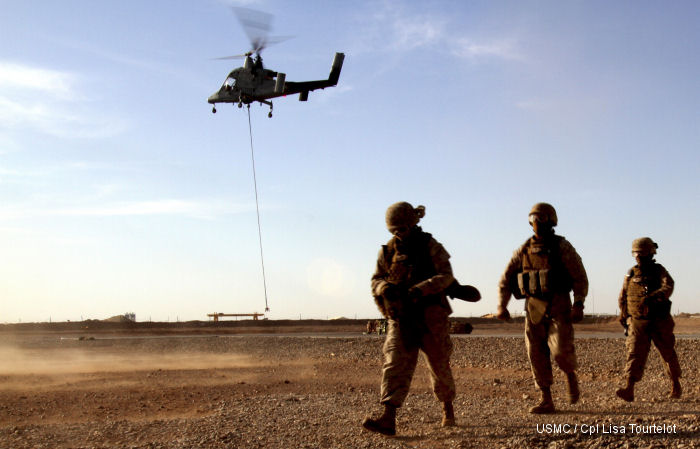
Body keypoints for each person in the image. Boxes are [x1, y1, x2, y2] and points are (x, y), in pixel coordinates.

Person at [362, 202, 457, 436]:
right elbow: (375, 279)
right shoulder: (387, 252)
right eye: (393, 230)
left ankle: (447, 408)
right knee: (394, 364)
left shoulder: (431, 246)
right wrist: (385, 287)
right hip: (401, 317)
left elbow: (446, 276)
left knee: (439, 365)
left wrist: (421, 289)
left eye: (402, 229)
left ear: (413, 224)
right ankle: (388, 417)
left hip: (430, 317)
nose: (398, 234)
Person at [496, 202, 588, 414]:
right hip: (533, 307)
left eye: (541, 218)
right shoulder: (524, 249)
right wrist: (502, 305)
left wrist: (579, 303)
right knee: (535, 353)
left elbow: (579, 276)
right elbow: (506, 278)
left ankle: (569, 374)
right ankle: (546, 399)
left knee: (560, 351)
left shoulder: (562, 247)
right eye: (533, 219)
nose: (537, 223)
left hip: (559, 306)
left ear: (551, 220)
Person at [615, 237, 681, 401]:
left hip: (659, 320)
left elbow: (668, 286)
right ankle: (629, 389)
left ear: (650, 254)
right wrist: (623, 314)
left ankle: (676, 384)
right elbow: (623, 295)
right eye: (636, 254)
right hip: (638, 321)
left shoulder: (659, 271)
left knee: (667, 354)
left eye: (642, 254)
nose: (638, 257)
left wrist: (653, 297)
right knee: (634, 353)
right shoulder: (631, 273)